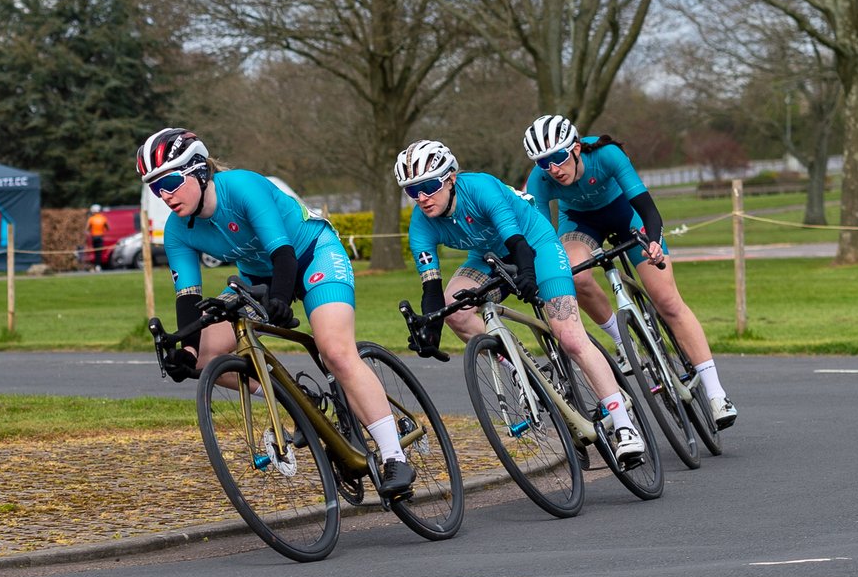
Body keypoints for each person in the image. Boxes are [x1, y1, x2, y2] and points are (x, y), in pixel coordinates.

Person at [137, 127, 416, 495]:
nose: (166, 195)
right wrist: (185, 350)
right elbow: (188, 297)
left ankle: (395, 456)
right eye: (157, 188)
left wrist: (281, 300)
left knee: (334, 350)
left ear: (200, 170)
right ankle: (300, 402)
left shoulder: (242, 187)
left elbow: (282, 252)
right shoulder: (177, 230)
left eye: (171, 181)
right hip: (258, 276)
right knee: (204, 359)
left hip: (311, 254)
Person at [398, 139, 646, 464]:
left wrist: (527, 277)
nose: (421, 198)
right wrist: (431, 330)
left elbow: (518, 245)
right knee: (454, 308)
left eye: (428, 186)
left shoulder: (481, 188)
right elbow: (431, 288)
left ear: (450, 178)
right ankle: (519, 364)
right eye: (411, 191)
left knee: (570, 336)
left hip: (534, 244)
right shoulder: (420, 222)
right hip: (485, 257)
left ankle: (625, 426)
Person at [522, 114, 737, 429]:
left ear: (576, 148)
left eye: (558, 157)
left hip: (627, 215)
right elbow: (542, 236)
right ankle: (622, 341)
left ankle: (716, 393)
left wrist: (652, 242)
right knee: (576, 275)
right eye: (543, 162)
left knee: (667, 301)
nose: (553, 168)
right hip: (581, 224)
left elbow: (648, 208)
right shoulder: (541, 180)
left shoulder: (606, 154)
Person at [86, 204, 108, 271]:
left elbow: (87, 229)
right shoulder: (103, 218)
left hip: (94, 237)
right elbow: (107, 228)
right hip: (100, 237)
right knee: (99, 253)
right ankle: (98, 266)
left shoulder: (91, 219)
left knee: (95, 252)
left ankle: (96, 265)